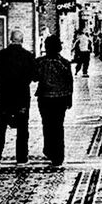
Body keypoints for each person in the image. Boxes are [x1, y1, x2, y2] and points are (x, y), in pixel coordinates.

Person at [0, 28, 38, 164]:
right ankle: (22, 157)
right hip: (22, 96)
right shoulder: (28, 56)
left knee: (0, 125)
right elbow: (32, 76)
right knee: (23, 127)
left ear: (10, 39)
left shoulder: (1, 55)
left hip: (5, 95)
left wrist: (4, 86)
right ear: (22, 40)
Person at [36, 35, 74, 167]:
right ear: (59, 47)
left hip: (45, 98)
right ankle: (58, 156)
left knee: (47, 124)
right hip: (61, 98)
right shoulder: (65, 63)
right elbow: (69, 82)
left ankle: (49, 149)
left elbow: (35, 78)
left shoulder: (40, 62)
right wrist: (69, 99)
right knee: (58, 126)